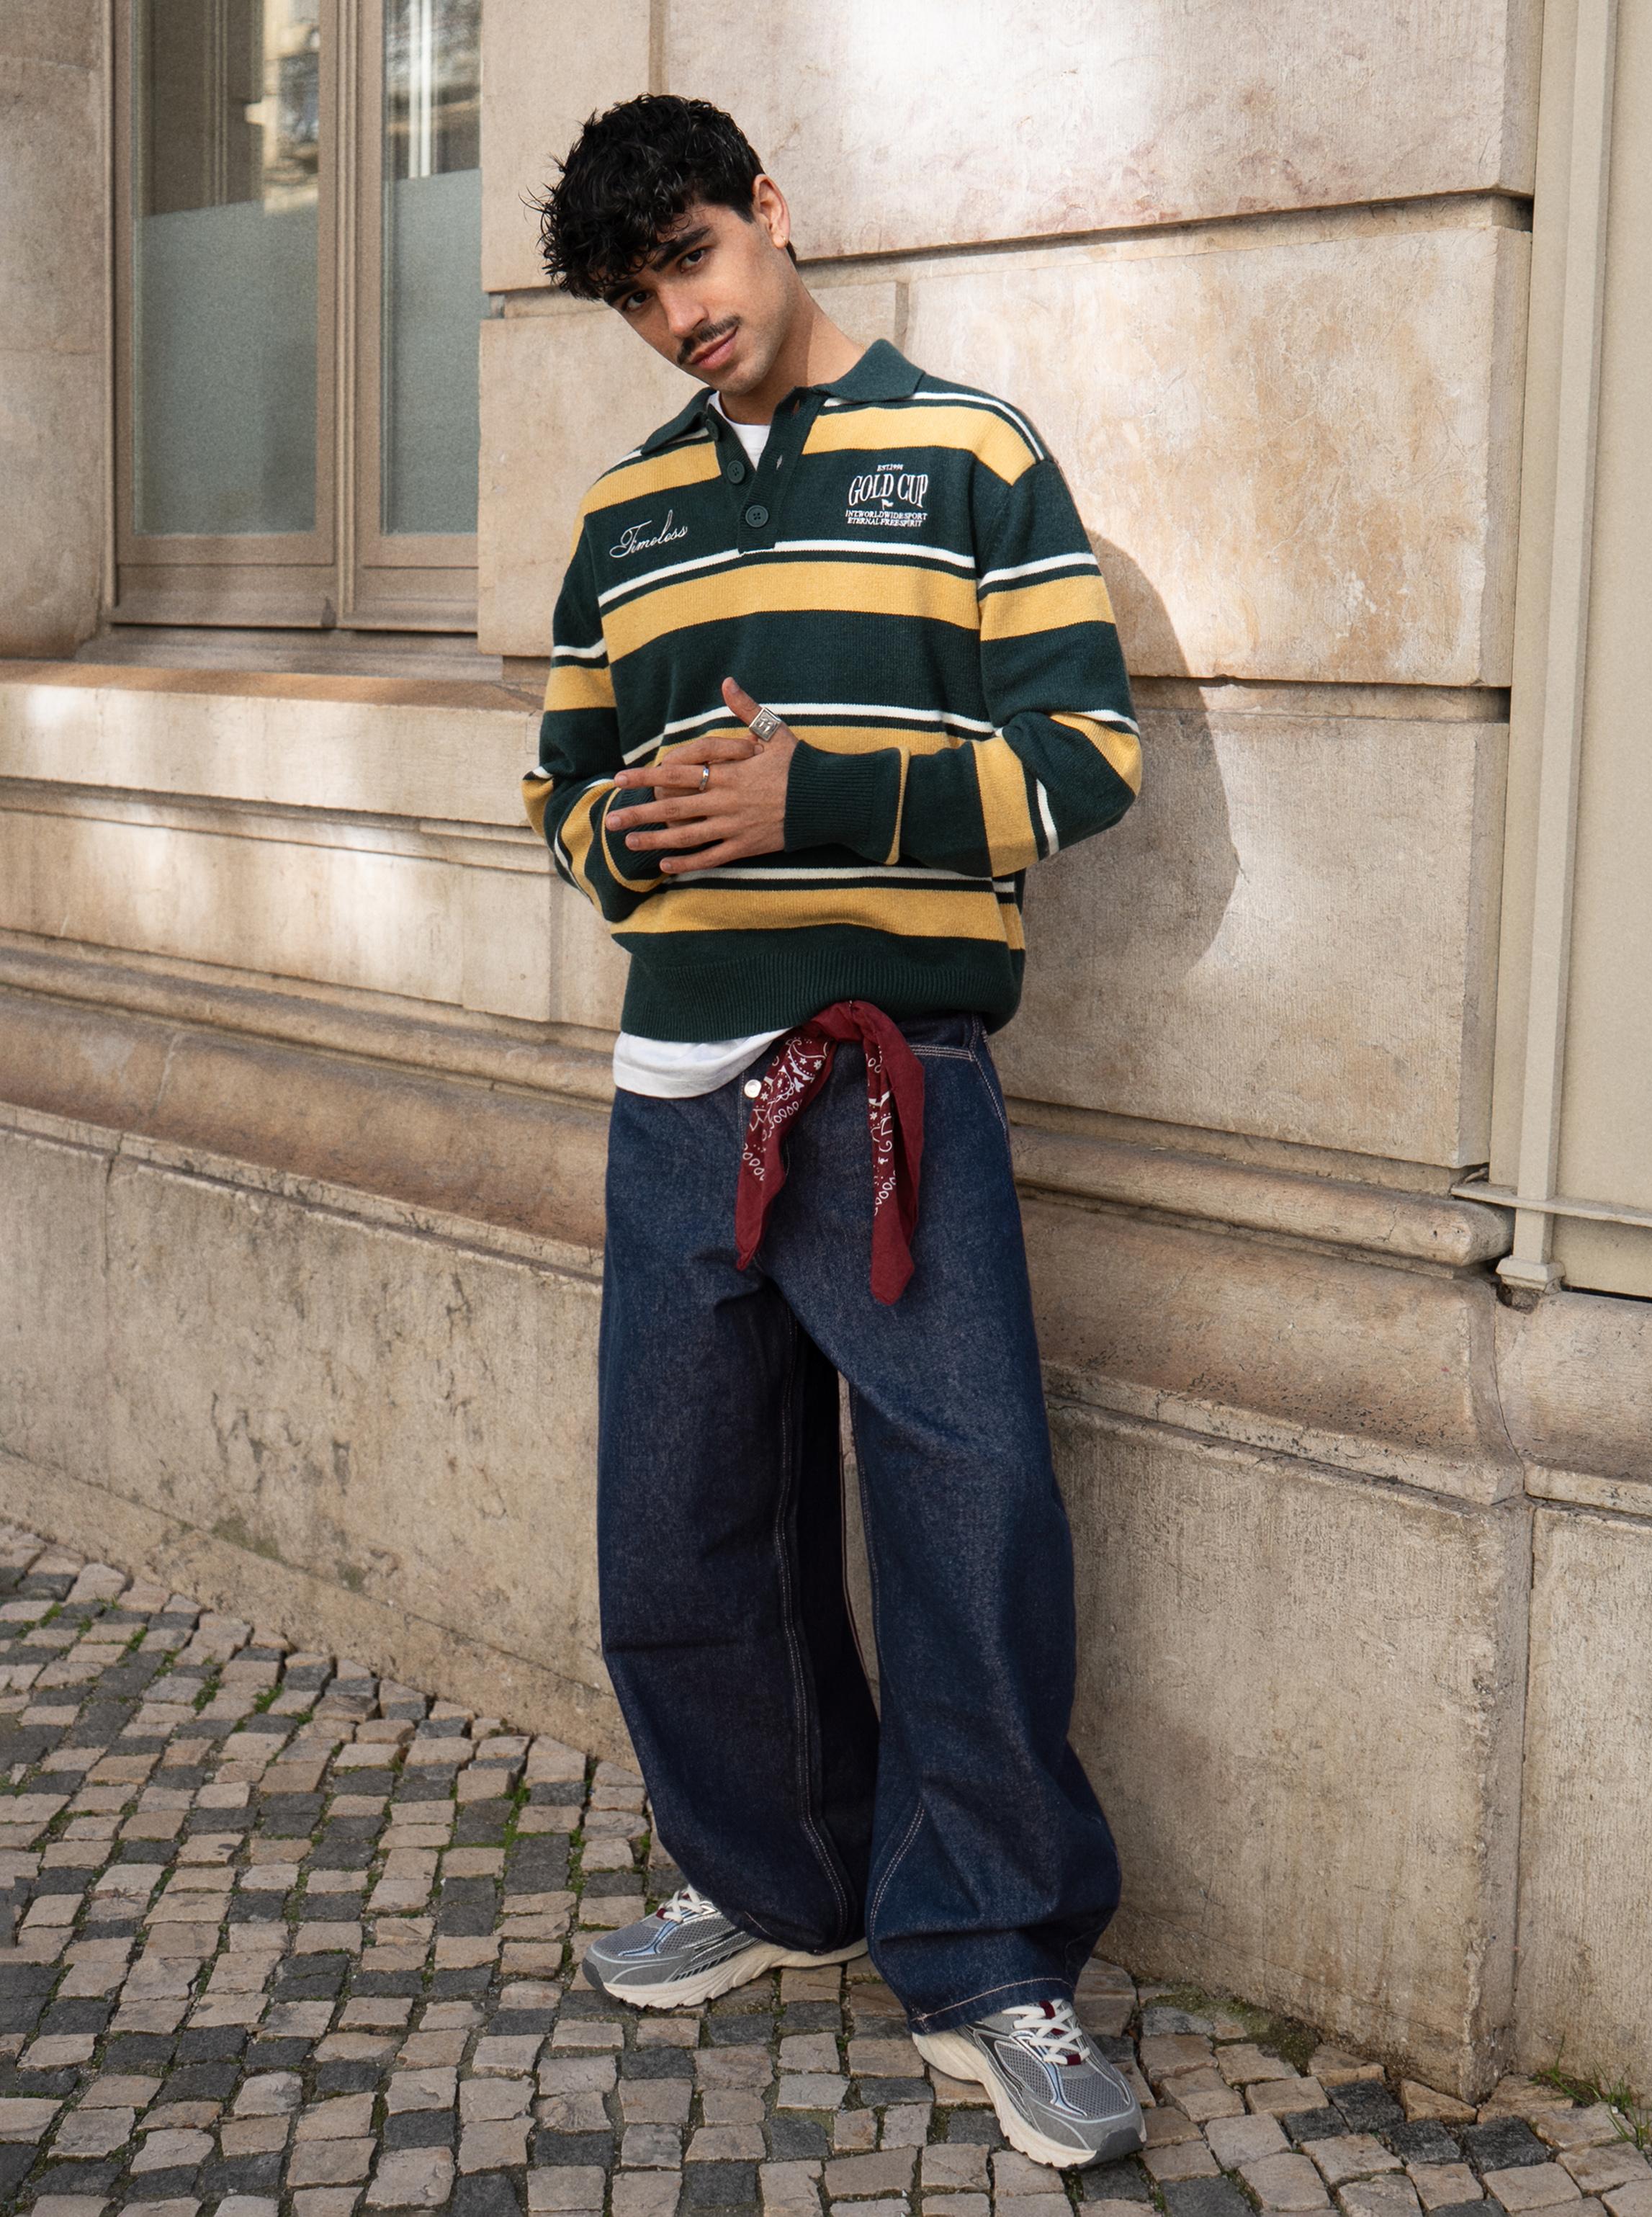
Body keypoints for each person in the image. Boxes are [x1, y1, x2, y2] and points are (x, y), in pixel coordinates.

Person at [524, 94, 1145, 2171]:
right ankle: (776, 1880)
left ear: (772, 215)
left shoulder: (972, 451)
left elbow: (1086, 760)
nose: (675, 315)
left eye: (690, 258)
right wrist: (618, 831)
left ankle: (986, 1955)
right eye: (636, 297)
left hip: (897, 1083)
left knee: (970, 1514)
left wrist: (828, 808)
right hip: (676, 1088)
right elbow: (559, 789)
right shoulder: (620, 517)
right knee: (683, 1520)